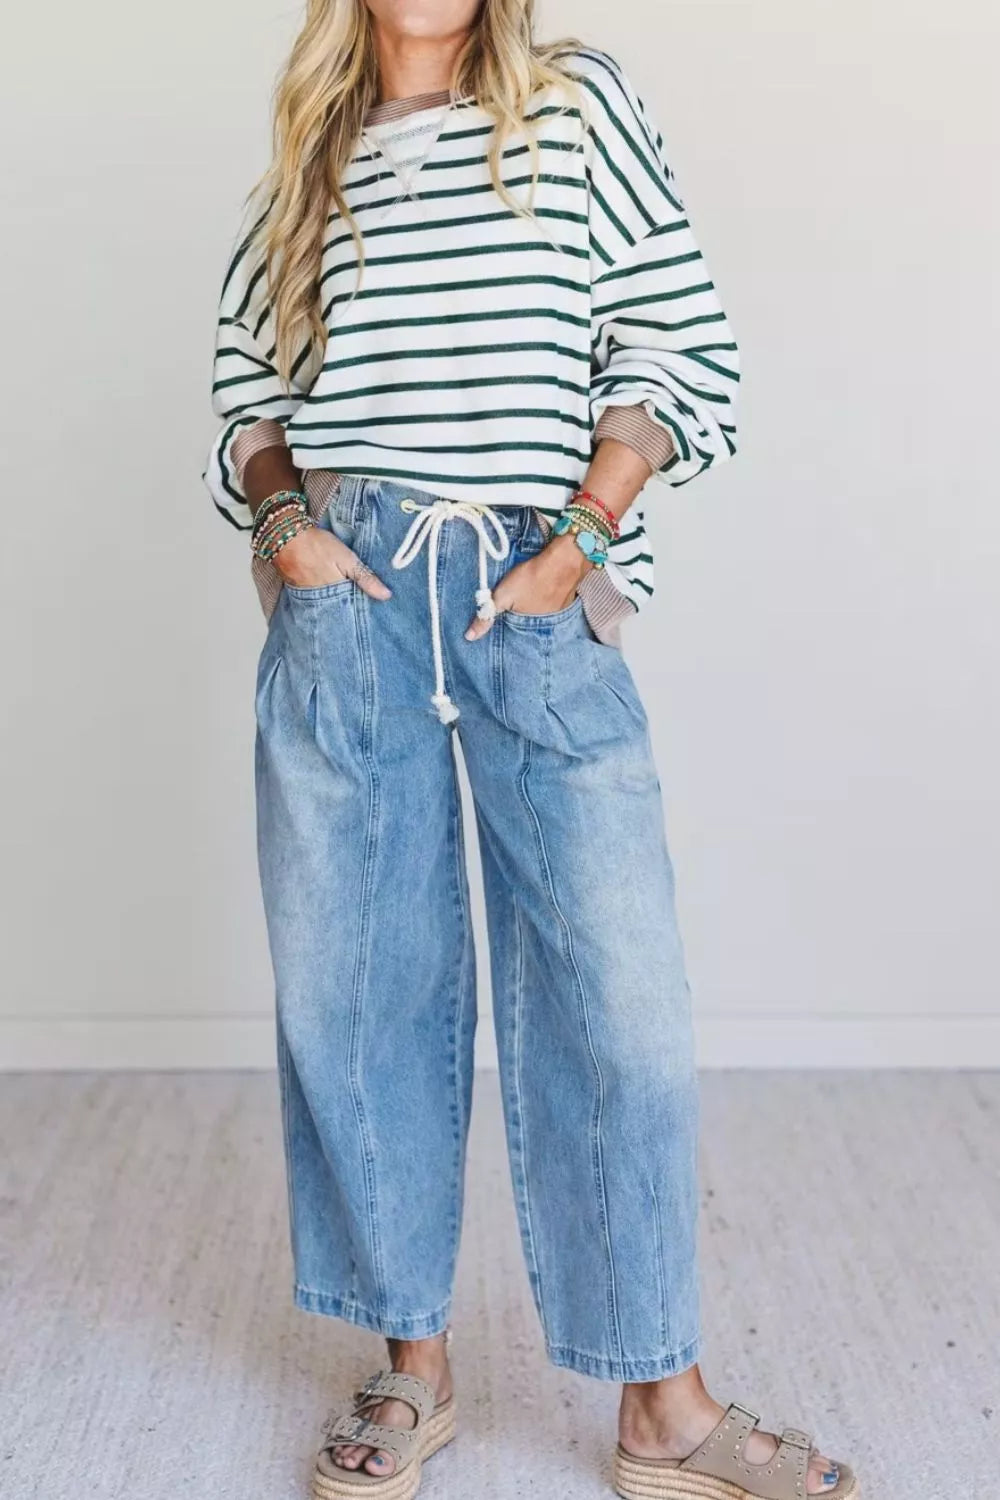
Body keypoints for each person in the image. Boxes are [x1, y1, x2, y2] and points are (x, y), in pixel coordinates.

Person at [204, 3, 858, 1498]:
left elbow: (675, 333)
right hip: (348, 593)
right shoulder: (308, 153)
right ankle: (409, 1368)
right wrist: (288, 526)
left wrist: (583, 532)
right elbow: (246, 394)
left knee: (618, 988)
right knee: (358, 985)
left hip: (529, 590)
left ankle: (666, 1410)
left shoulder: (573, 107)